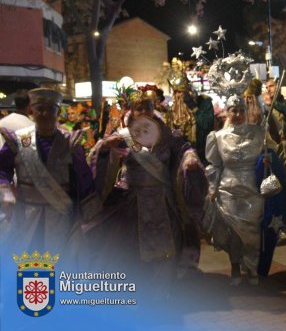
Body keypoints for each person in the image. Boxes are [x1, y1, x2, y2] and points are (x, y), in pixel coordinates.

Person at [92, 92, 206, 281]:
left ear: (154, 110)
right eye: (139, 108)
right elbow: (101, 155)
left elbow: (185, 149)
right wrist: (104, 147)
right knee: (132, 248)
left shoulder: (168, 134)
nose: (144, 111)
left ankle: (162, 289)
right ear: (132, 111)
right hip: (132, 201)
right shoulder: (122, 135)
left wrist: (190, 159)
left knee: (167, 246)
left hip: (163, 200)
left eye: (148, 107)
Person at [0, 88, 97, 255]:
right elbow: (2, 169)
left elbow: (83, 177)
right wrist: (5, 191)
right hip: (26, 216)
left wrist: (88, 211)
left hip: (60, 217)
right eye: (40, 109)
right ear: (32, 111)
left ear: (58, 112)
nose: (45, 114)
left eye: (50, 109)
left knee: (57, 264)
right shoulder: (19, 140)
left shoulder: (70, 142)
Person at [205, 95, 266, 285]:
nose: (238, 114)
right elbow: (214, 165)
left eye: (241, 110)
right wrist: (212, 189)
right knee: (233, 232)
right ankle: (235, 267)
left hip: (253, 190)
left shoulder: (259, 132)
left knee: (252, 231)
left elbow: (272, 152)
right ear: (227, 112)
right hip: (228, 190)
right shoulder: (217, 137)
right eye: (234, 110)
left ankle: (252, 268)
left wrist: (267, 160)